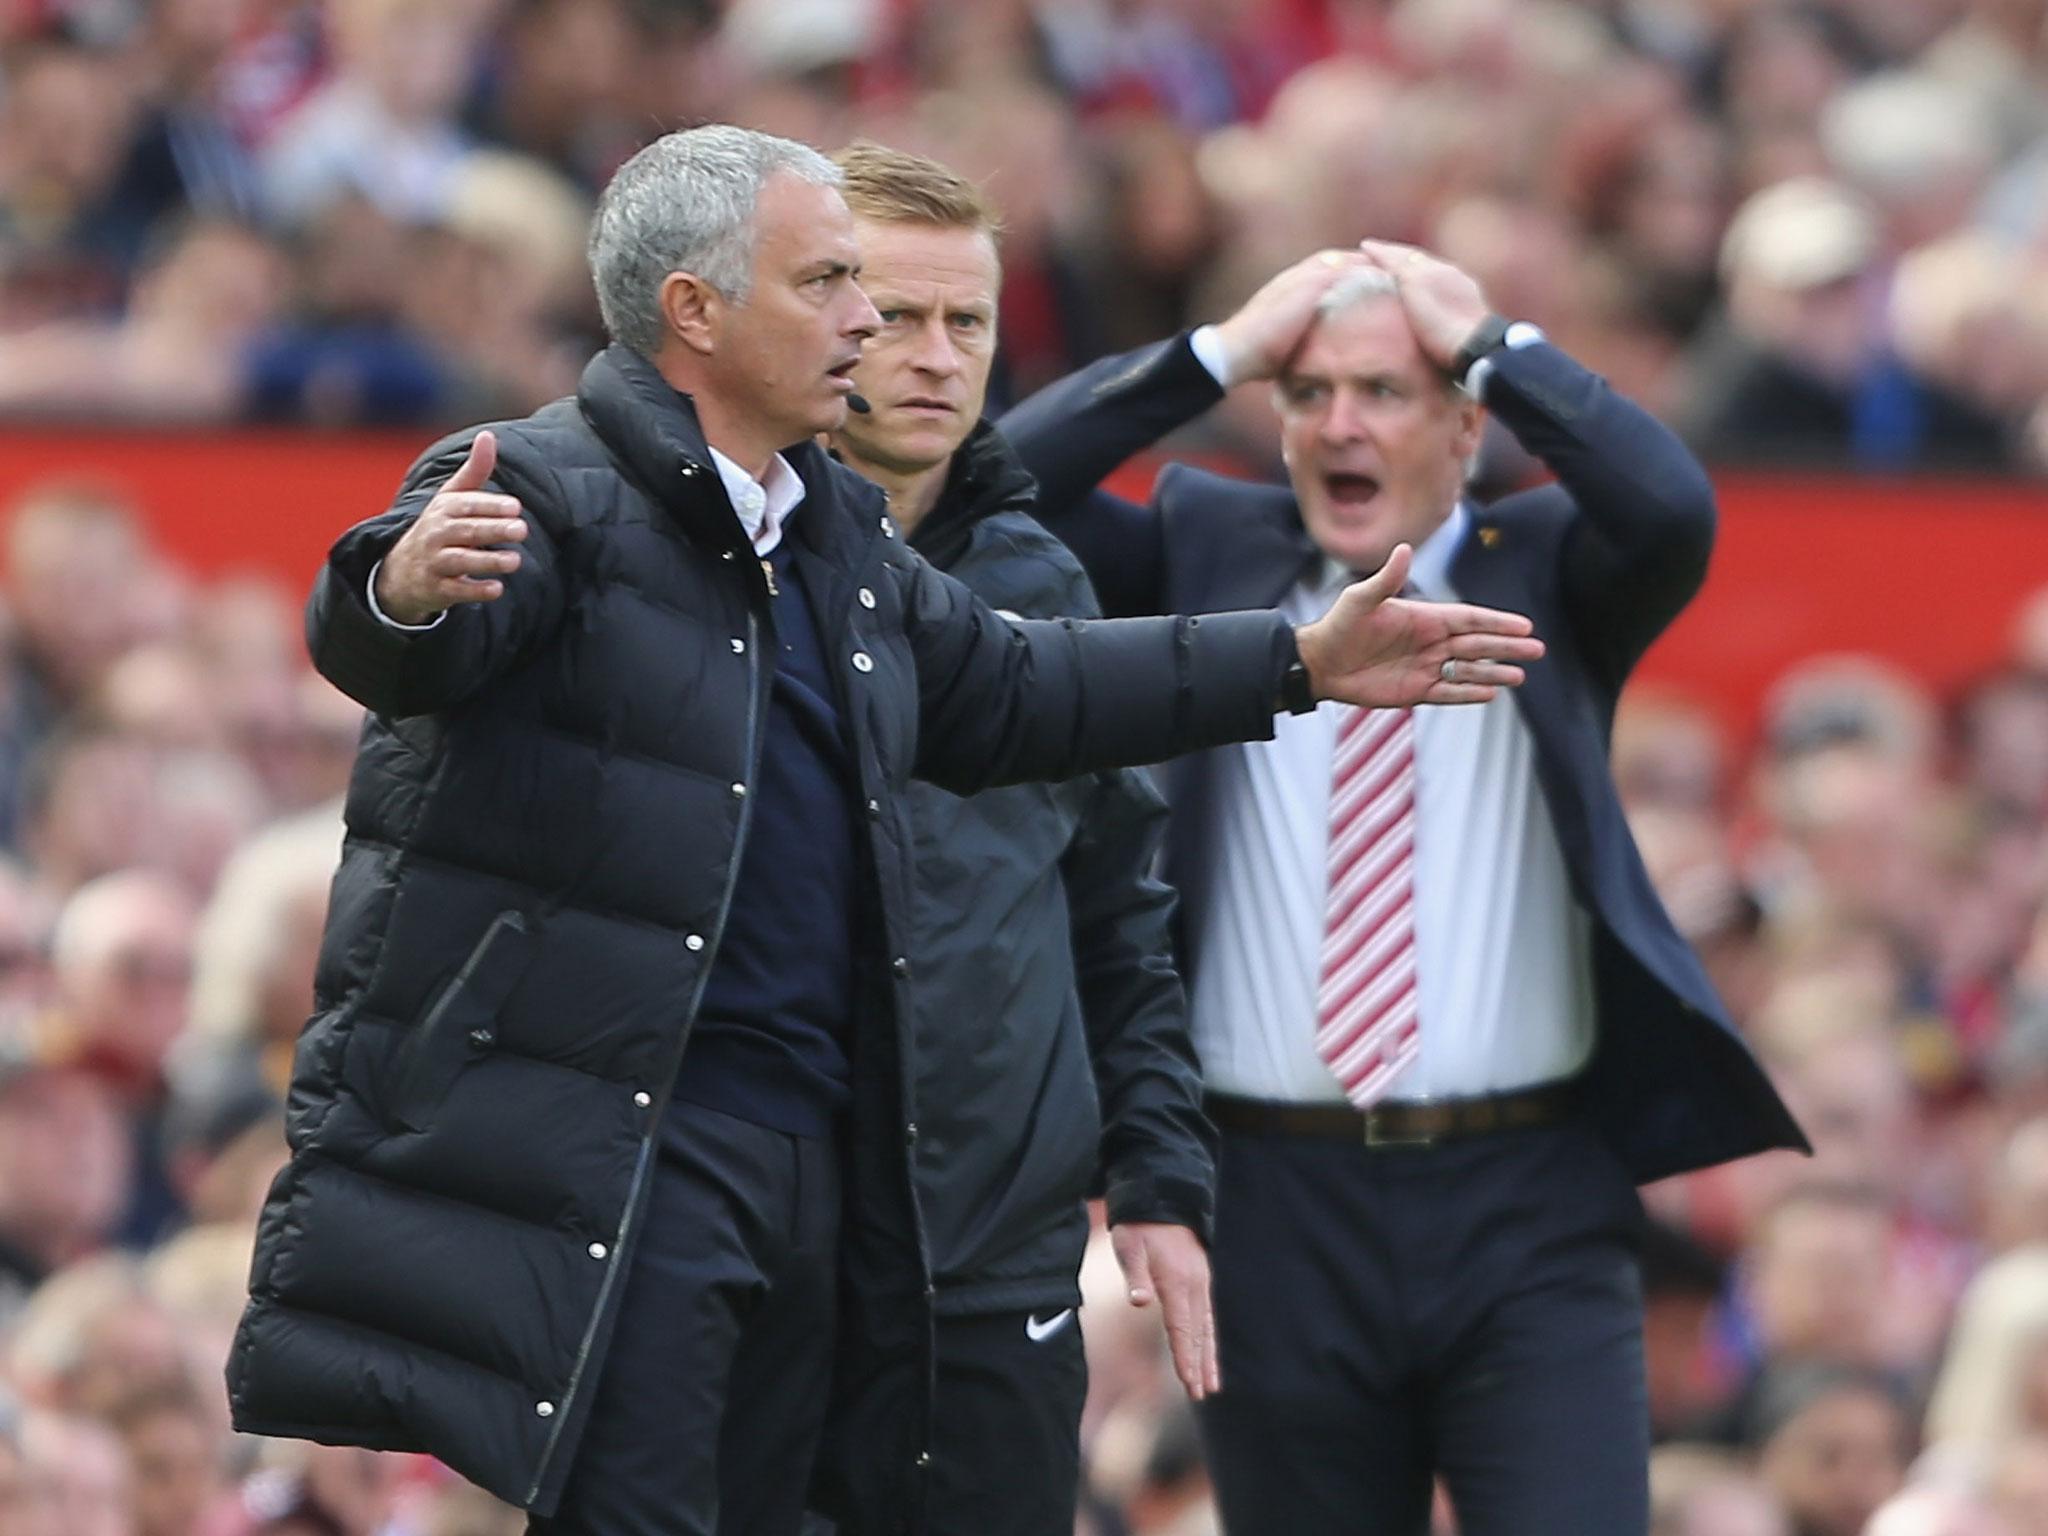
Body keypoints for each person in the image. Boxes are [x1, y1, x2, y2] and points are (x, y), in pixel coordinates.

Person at [224, 125, 1544, 1536]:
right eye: (833, 282)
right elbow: (396, 632)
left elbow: (1015, 686)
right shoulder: (546, 487)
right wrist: (402, 590)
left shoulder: (833, 531)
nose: (866, 320)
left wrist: (1296, 665)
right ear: (695, 311)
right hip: (643, 1138)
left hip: (827, 1162)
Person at [1001, 239, 1808, 1534]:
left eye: (1384, 391)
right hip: (1269, 1204)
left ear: (1464, 426)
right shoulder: (1211, 551)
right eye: (1306, 394)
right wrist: (1215, 353)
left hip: (1528, 1196)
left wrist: (1499, 342)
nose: (1339, 425)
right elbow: (990, 494)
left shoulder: (1542, 563)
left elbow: (1670, 510)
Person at [817, 142, 1214, 1536]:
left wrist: (1159, 1175)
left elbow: (1116, 914)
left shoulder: (1048, 583)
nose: (934, 357)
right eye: (892, 317)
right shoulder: (694, 561)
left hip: (995, 1261)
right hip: (749, 1248)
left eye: (966, 323)